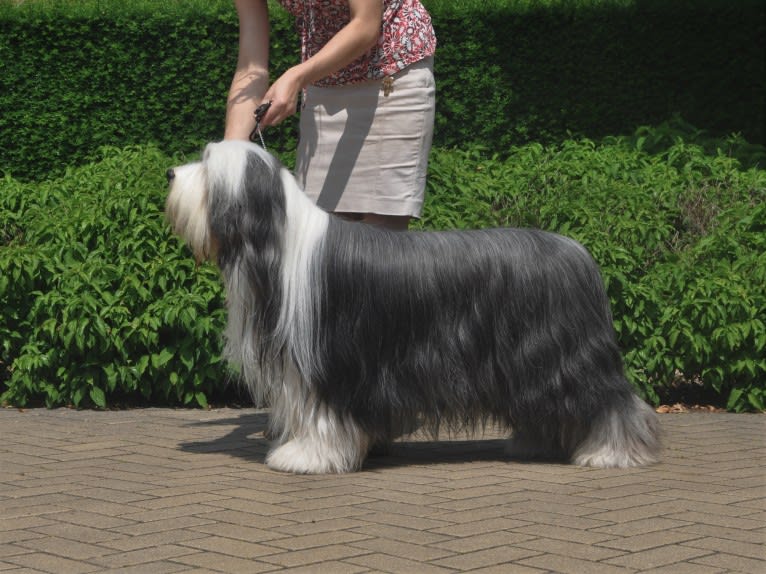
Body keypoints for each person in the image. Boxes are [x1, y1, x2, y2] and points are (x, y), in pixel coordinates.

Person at [224, 0, 436, 230]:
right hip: (323, 82)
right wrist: (229, 156)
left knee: (381, 242)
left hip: (390, 76)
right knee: (318, 234)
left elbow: (365, 25)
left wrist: (297, 77)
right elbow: (251, 67)